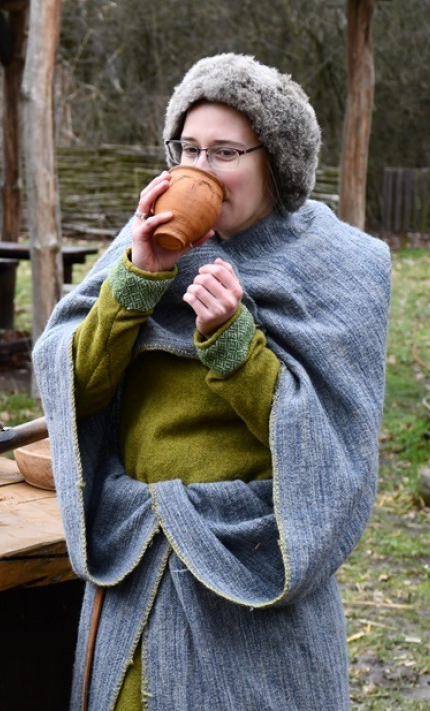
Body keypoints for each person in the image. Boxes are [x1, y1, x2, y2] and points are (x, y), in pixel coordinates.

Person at [32, 53, 391, 710]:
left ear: (274, 163)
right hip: (135, 561)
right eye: (188, 149)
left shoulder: (342, 266)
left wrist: (234, 346)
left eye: (225, 152)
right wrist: (139, 277)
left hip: (247, 567)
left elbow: (326, 446)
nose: (200, 170)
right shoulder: (140, 243)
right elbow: (74, 390)